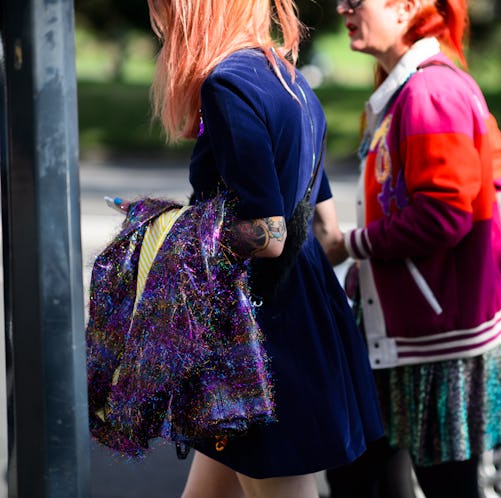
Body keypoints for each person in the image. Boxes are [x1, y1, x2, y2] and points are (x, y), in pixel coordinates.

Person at [87, 0, 384, 497]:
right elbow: (325, 223)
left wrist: (167, 231)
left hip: (259, 335)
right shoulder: (288, 78)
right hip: (296, 311)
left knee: (278, 485)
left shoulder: (226, 84)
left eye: (166, 11)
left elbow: (269, 235)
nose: (161, 24)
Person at [325, 0, 501, 496]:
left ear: (405, 7)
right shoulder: (417, 83)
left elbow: (447, 213)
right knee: (364, 473)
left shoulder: (429, 88)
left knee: (427, 484)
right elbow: (494, 165)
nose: (343, 8)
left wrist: (352, 245)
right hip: (413, 330)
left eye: (356, 0)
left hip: (434, 336)